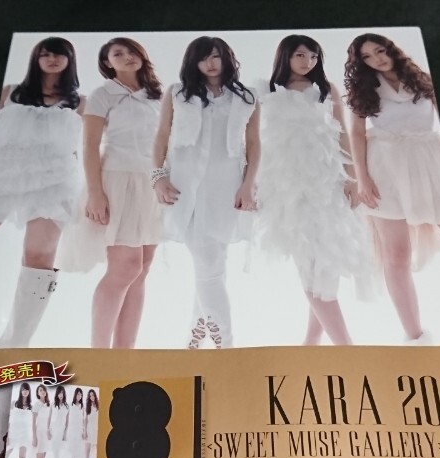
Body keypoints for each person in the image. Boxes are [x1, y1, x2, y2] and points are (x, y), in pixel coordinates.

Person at [345, 33, 440, 345]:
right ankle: (415, 338)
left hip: (431, 165)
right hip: (385, 170)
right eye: (367, 57)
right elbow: (356, 134)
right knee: (397, 255)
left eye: (380, 51)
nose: (377, 59)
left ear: (392, 50)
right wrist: (362, 179)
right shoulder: (364, 90)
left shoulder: (422, 80)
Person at [256, 35, 373, 346]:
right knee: (308, 265)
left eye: (313, 56)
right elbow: (253, 141)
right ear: (285, 56)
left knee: (327, 263)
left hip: (327, 184)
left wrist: (352, 178)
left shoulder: (325, 89)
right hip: (287, 189)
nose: (307, 61)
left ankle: (310, 346)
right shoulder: (267, 91)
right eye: (300, 55)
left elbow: (342, 134)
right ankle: (346, 348)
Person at [0, 37, 84, 347]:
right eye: (45, 53)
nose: (52, 59)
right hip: (1, 176)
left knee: (40, 256)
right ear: (35, 58)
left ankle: (14, 345)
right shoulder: (8, 94)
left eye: (59, 54)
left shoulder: (80, 103)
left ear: (70, 60)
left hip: (55, 181)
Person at [153, 36, 259, 349]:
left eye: (215, 56)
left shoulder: (247, 97)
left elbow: (254, 144)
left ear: (226, 58)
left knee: (213, 265)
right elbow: (161, 136)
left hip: (226, 188)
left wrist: (248, 184)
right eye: (202, 58)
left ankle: (194, 343)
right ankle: (225, 346)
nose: (210, 64)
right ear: (193, 62)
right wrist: (157, 177)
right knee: (209, 265)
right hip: (184, 189)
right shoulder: (177, 93)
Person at [58, 38, 163, 348]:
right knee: (125, 267)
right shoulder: (103, 95)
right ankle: (99, 353)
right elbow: (90, 146)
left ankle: (124, 355)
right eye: (118, 54)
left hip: (152, 184)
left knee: (142, 269)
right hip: (118, 181)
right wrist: (95, 193)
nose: (127, 57)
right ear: (107, 63)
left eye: (131, 51)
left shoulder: (157, 96)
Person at [7, 382, 35, 458]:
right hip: (14, 433)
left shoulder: (31, 407)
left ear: (29, 392)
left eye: (27, 390)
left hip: (25, 435)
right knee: (7, 454)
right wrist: (8, 435)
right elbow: (9, 420)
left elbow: (32, 424)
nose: (25, 391)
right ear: (20, 391)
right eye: (23, 389)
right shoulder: (14, 403)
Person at [29, 385, 53, 458]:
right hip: (39, 433)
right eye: (40, 390)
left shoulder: (48, 404)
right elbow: (33, 423)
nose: (42, 391)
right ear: (38, 393)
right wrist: (34, 437)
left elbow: (48, 421)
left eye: (43, 390)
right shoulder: (36, 405)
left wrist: (49, 431)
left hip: (45, 434)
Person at [48, 385, 71, 458]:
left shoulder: (67, 406)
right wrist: (48, 430)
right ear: (57, 394)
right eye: (59, 393)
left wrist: (65, 434)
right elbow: (49, 418)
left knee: (57, 454)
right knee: (55, 454)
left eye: (62, 393)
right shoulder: (53, 405)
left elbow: (67, 422)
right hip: (53, 431)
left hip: (61, 432)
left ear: (64, 394)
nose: (60, 395)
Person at [66, 388, 87, 458]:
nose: (79, 396)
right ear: (75, 395)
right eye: (78, 394)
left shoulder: (82, 407)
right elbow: (67, 420)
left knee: (76, 455)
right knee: (74, 455)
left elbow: (83, 420)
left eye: (81, 395)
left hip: (79, 433)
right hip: (72, 432)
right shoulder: (70, 405)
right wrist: (65, 432)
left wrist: (84, 431)